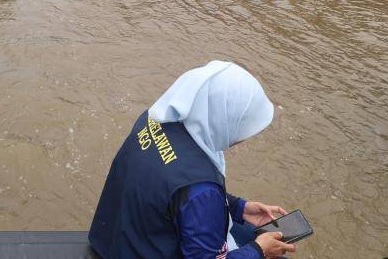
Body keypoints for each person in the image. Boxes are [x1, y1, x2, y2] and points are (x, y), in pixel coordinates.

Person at [89, 61, 297, 259]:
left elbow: (171, 189)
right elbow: (194, 195)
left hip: (114, 241)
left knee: (250, 233)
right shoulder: (201, 190)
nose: (243, 137)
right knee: (266, 247)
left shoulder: (156, 118)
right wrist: (260, 251)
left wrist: (240, 208)